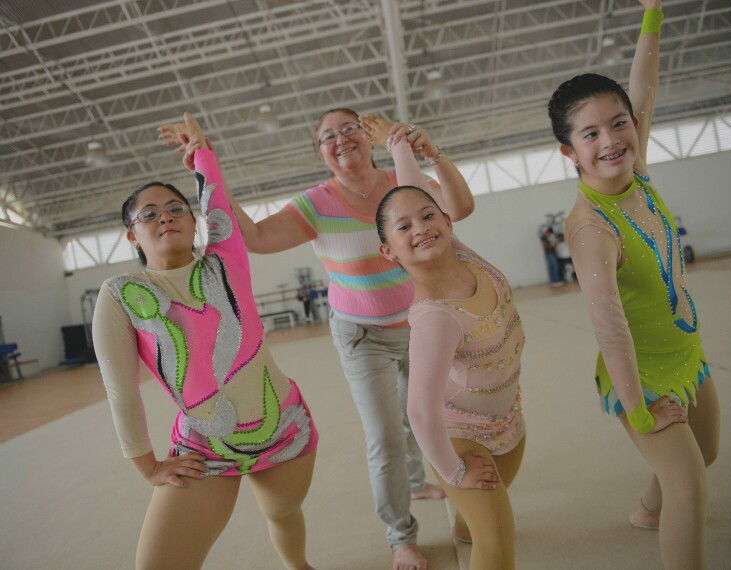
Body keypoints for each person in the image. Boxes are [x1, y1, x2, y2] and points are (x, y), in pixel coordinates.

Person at [159, 108, 475, 570]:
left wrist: (431, 152)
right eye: (328, 136)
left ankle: (429, 488)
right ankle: (400, 536)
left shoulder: (400, 182)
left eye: (349, 128)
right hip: (361, 335)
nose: (341, 138)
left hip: (421, 324)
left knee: (432, 420)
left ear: (367, 137)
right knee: (386, 434)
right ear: (320, 153)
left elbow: (459, 208)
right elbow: (256, 237)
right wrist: (211, 171)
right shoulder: (316, 203)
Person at [92, 113, 318, 570]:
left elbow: (215, 200)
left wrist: (203, 155)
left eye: (177, 208)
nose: (166, 217)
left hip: (285, 425)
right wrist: (149, 465)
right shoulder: (121, 294)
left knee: (284, 511)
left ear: (196, 223)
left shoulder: (225, 260)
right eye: (149, 214)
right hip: (204, 448)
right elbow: (121, 390)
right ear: (132, 235)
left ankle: (299, 567)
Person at [548, 1, 720, 568]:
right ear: (569, 152)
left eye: (619, 122)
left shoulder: (637, 167)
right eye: (590, 133)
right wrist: (641, 411)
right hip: (640, 376)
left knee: (705, 455)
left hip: (685, 350)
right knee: (691, 490)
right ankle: (667, 508)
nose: (612, 140)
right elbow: (610, 330)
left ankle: (649, 508)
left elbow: (643, 82)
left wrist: (653, 12)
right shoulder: (591, 229)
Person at [364, 116, 526, 569]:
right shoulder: (435, 318)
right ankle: (467, 512)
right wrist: (454, 471)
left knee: (481, 516)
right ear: (389, 252)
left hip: (508, 416)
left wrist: (400, 144)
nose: (420, 227)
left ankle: (463, 521)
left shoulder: (461, 251)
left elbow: (412, 193)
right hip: (461, 437)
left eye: (429, 215)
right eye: (403, 228)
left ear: (446, 220)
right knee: (496, 545)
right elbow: (419, 411)